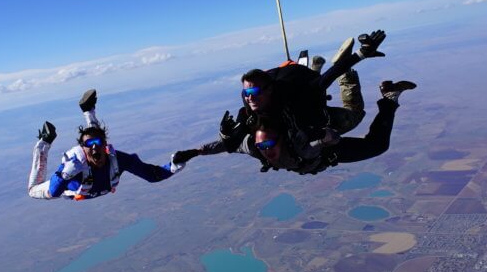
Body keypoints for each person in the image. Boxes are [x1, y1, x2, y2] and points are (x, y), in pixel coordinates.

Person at [191, 79, 415, 175]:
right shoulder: (253, 145)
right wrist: (194, 152)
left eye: (268, 143)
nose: (265, 149)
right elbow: (225, 145)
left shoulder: (295, 140)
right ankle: (389, 96)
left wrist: (327, 139)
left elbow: (317, 143)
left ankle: (387, 95)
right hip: (322, 146)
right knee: (369, 137)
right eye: (262, 145)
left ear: (280, 138)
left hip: (325, 145)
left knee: (358, 121)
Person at [28, 89, 197, 200]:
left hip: (93, 173)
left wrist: (174, 165)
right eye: (88, 145)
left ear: (105, 146)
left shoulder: (118, 160)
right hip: (68, 185)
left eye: (98, 144)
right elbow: (55, 191)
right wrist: (65, 175)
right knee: (33, 190)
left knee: (94, 136)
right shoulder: (73, 165)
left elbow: (153, 175)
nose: (94, 147)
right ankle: (43, 143)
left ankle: (89, 110)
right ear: (82, 149)